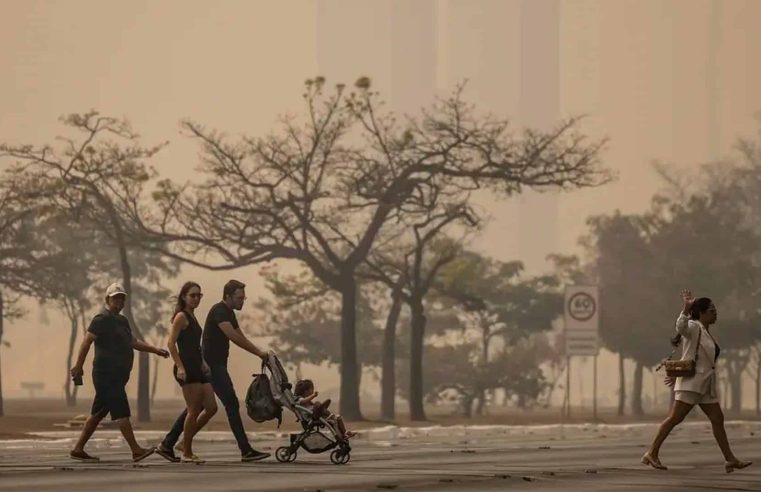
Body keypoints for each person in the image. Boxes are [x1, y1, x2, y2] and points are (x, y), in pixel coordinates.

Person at [157, 280, 270, 462]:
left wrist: (260, 352)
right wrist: (258, 352)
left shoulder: (226, 313)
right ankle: (245, 450)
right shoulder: (219, 311)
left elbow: (239, 334)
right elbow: (232, 337)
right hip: (212, 365)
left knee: (200, 407)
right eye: (239, 298)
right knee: (229, 404)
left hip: (206, 364)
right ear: (228, 296)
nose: (242, 301)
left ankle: (171, 443)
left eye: (198, 295)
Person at [642, 289, 752, 473]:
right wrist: (685, 308)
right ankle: (651, 453)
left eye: (715, 309)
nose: (715, 313)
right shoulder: (694, 327)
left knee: (718, 418)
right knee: (675, 418)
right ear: (701, 313)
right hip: (692, 383)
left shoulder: (706, 332)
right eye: (711, 310)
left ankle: (730, 459)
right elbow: (680, 327)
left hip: (705, 385)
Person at [69, 282, 170, 463]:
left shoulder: (122, 321)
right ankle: (136, 450)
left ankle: (78, 448)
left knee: (98, 413)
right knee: (122, 412)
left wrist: (155, 350)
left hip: (118, 375)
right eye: (116, 298)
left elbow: (133, 342)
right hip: (106, 374)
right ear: (107, 299)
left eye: (122, 298)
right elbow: (86, 342)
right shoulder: (100, 320)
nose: (119, 301)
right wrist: (78, 366)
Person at [155, 282, 217, 464]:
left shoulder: (193, 316)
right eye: (193, 295)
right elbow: (171, 343)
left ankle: (183, 443)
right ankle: (187, 452)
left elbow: (195, 345)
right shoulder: (181, 316)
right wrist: (180, 367)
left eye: (199, 295)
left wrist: (204, 362)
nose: (196, 298)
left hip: (198, 366)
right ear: (184, 297)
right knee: (193, 410)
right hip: (187, 367)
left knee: (211, 407)